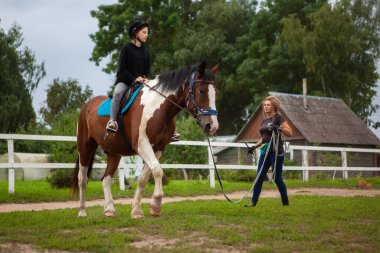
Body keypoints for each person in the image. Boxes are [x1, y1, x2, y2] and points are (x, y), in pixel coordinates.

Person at [106, 20, 181, 142]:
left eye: (147, 32)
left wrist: (145, 78)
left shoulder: (146, 52)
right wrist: (134, 79)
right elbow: (121, 70)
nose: (147, 35)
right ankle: (112, 121)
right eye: (144, 32)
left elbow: (146, 71)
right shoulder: (126, 48)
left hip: (141, 84)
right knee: (117, 94)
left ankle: (167, 129)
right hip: (125, 81)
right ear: (136, 33)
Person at [245, 96, 293, 207]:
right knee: (259, 177)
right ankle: (253, 202)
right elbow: (265, 138)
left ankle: (285, 202)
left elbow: (290, 132)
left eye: (268, 105)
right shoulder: (264, 121)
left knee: (277, 178)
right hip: (265, 152)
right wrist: (254, 147)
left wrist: (278, 128)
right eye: (265, 105)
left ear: (273, 107)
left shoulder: (278, 118)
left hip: (276, 152)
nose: (266, 106)